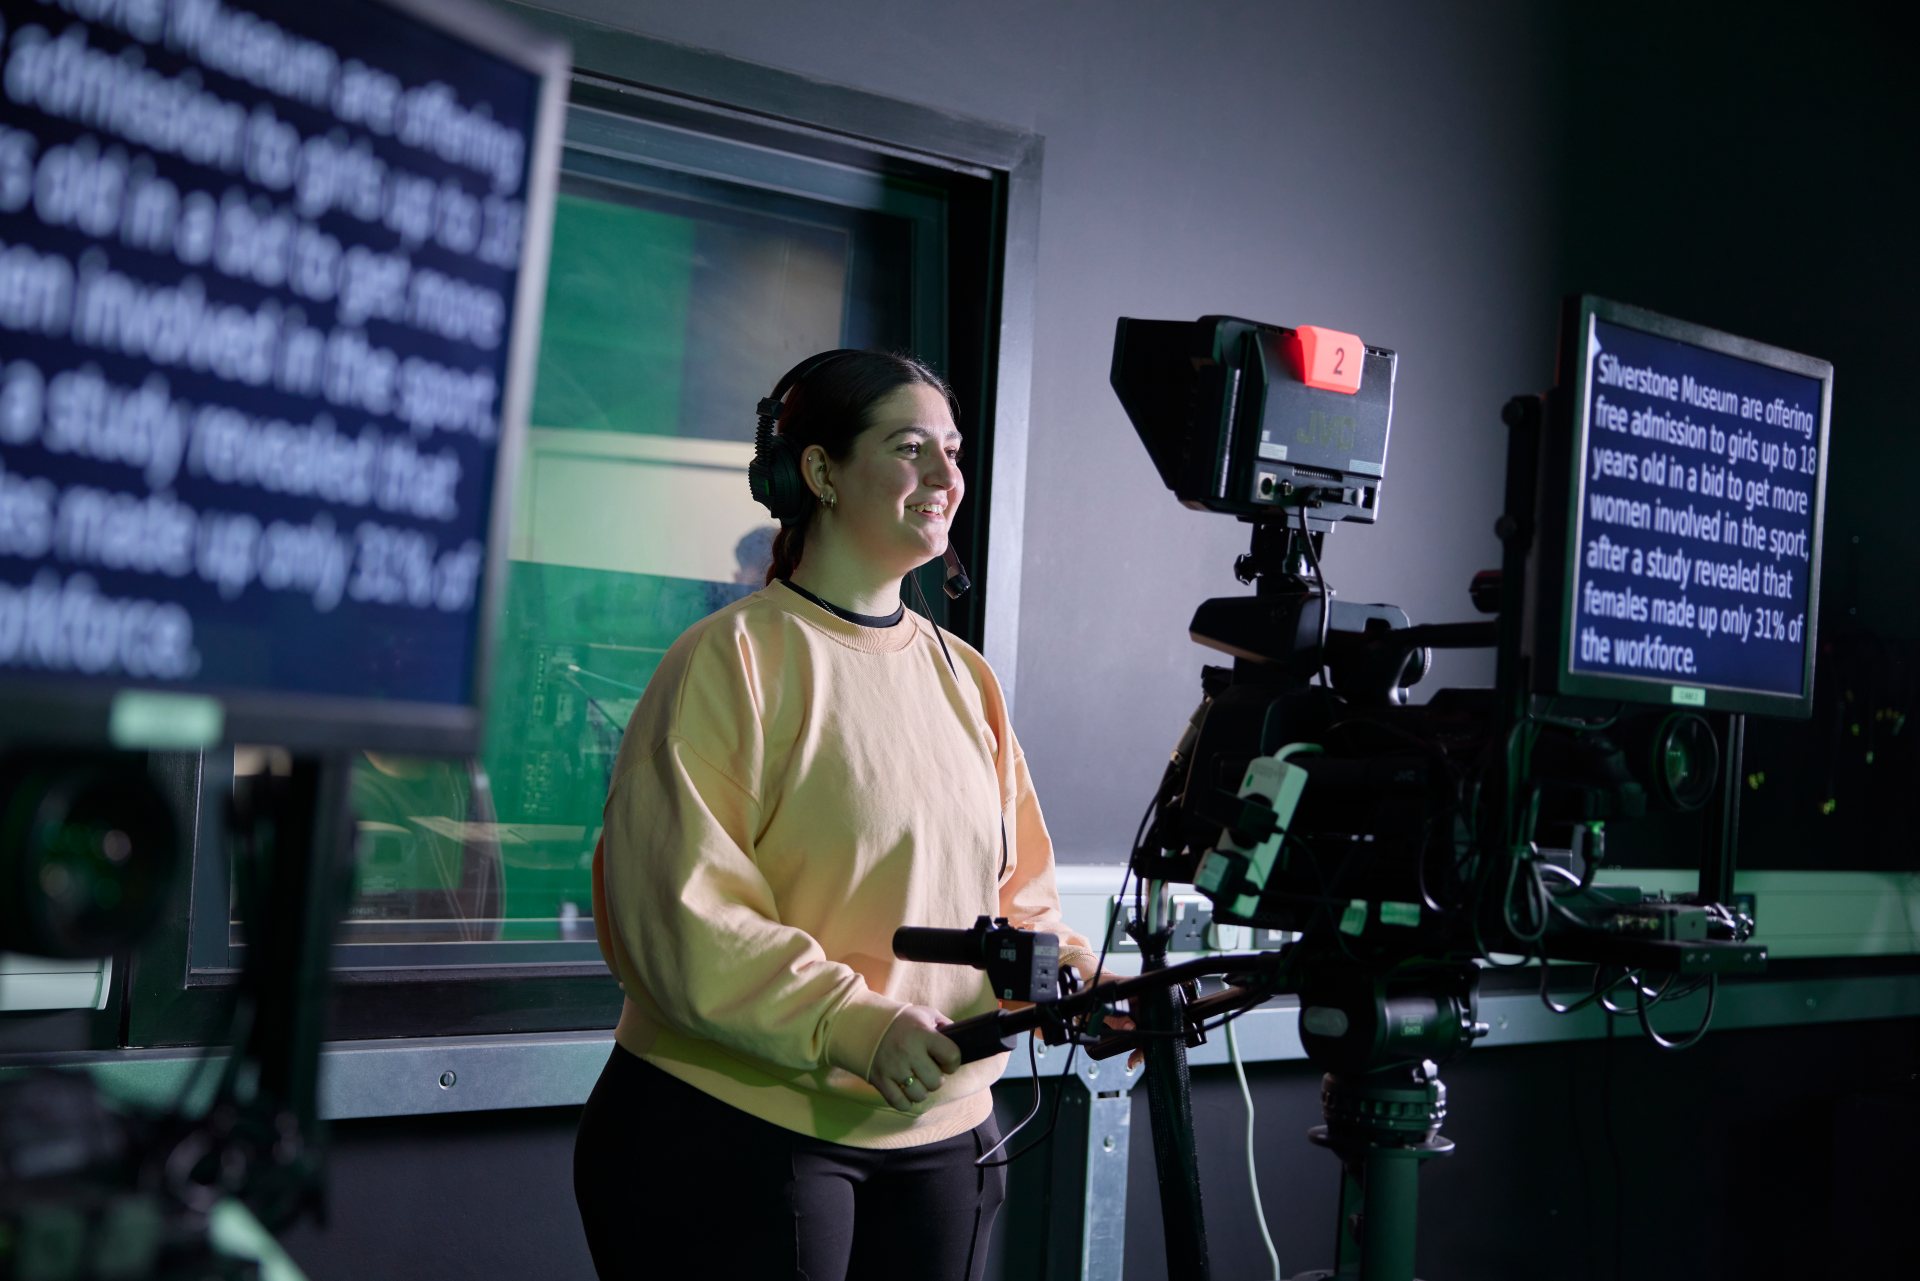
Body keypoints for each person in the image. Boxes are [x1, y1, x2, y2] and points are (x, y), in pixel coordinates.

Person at [573, 350, 1100, 1280]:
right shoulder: (730, 660)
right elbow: (686, 918)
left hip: (944, 1130)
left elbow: (1018, 893)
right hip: (736, 1126)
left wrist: (1070, 975)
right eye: (910, 448)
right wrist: (854, 1023)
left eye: (953, 450)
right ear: (819, 471)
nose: (945, 476)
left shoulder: (964, 676)